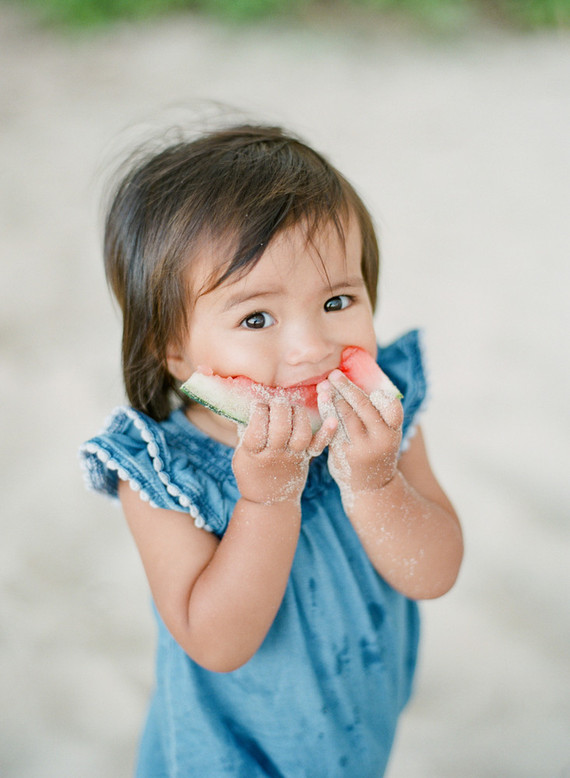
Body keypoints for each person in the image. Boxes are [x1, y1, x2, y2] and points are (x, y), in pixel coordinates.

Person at [80, 123, 463, 778]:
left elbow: (434, 573)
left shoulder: (380, 421)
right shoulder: (164, 477)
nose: (312, 347)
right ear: (173, 351)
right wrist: (268, 497)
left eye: (337, 300)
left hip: (353, 735)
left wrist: (376, 484)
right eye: (257, 318)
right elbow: (218, 642)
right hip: (230, 760)